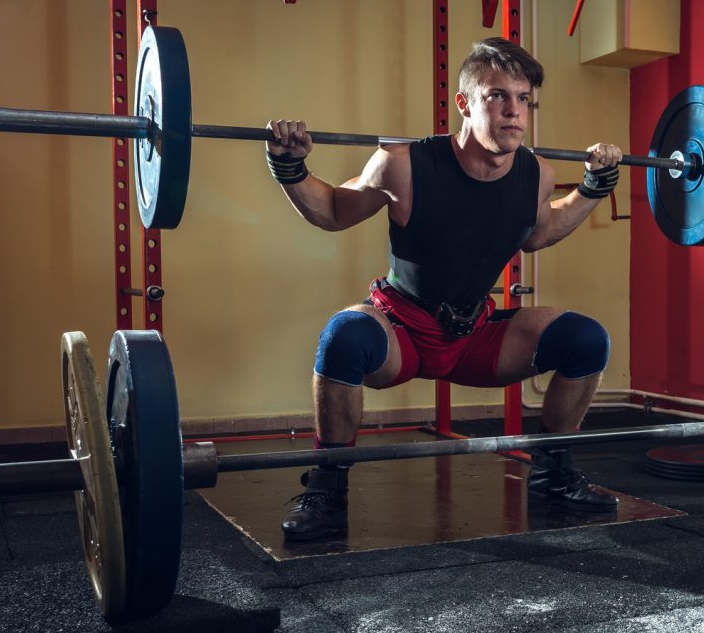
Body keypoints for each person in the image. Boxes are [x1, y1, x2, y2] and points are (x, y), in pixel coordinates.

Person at [266, 37, 623, 541]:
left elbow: (540, 231)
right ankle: (328, 490)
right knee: (343, 335)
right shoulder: (403, 163)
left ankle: (554, 473)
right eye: (498, 96)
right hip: (402, 332)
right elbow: (332, 211)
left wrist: (591, 188)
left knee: (586, 339)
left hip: (473, 335)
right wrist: (289, 166)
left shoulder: (537, 174)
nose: (514, 112)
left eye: (524, 99)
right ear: (464, 103)